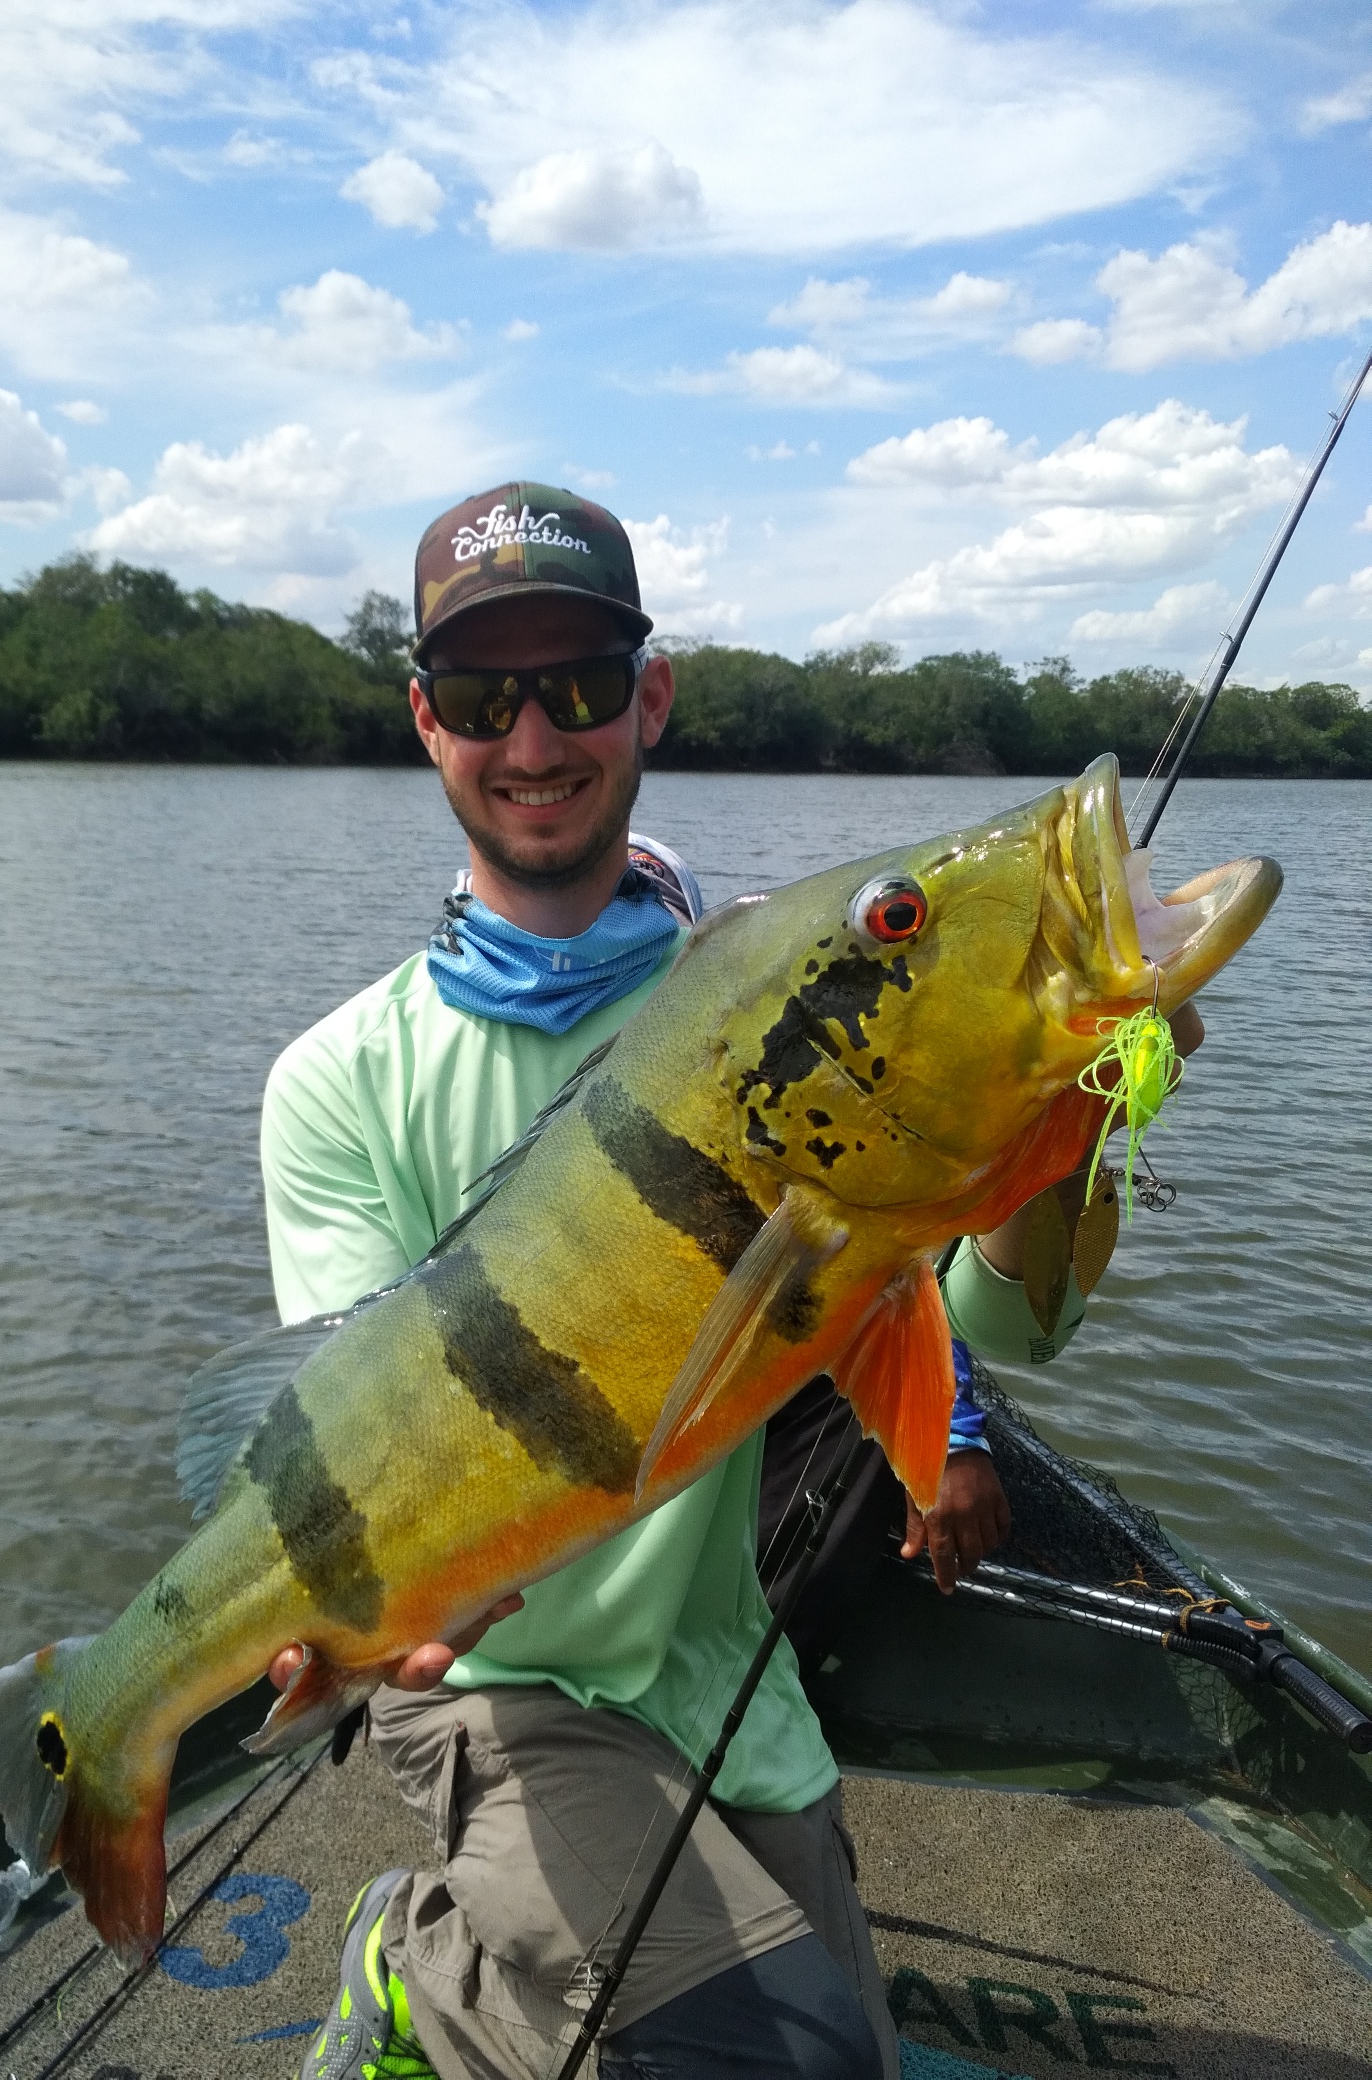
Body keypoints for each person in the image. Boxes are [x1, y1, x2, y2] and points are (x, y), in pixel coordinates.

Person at [260, 483, 1200, 2080]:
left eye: (578, 682)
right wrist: (371, 1620)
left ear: (653, 697)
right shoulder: (341, 1082)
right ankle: (424, 1962)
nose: (536, 735)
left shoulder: (765, 992)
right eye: (487, 695)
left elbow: (997, 1323)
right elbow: (357, 1432)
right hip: (490, 1681)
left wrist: (1074, 1130)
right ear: (429, 722)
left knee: (836, 2053)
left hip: (718, 1679)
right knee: (790, 2062)